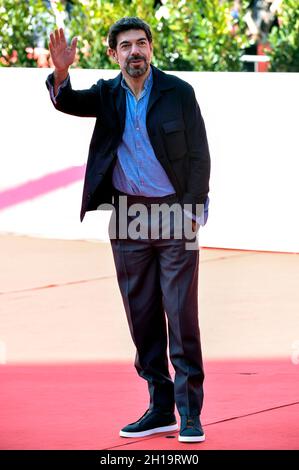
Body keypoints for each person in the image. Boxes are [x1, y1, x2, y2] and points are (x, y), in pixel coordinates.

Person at [46, 17, 210, 443]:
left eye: (141, 44)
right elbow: (68, 101)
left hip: (174, 214)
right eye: (125, 46)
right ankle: (160, 409)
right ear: (113, 53)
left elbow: (199, 155)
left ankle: (190, 413)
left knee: (180, 314)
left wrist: (193, 210)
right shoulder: (107, 95)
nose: (135, 51)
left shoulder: (178, 93)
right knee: (142, 317)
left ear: (151, 49)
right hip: (127, 215)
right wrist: (61, 72)